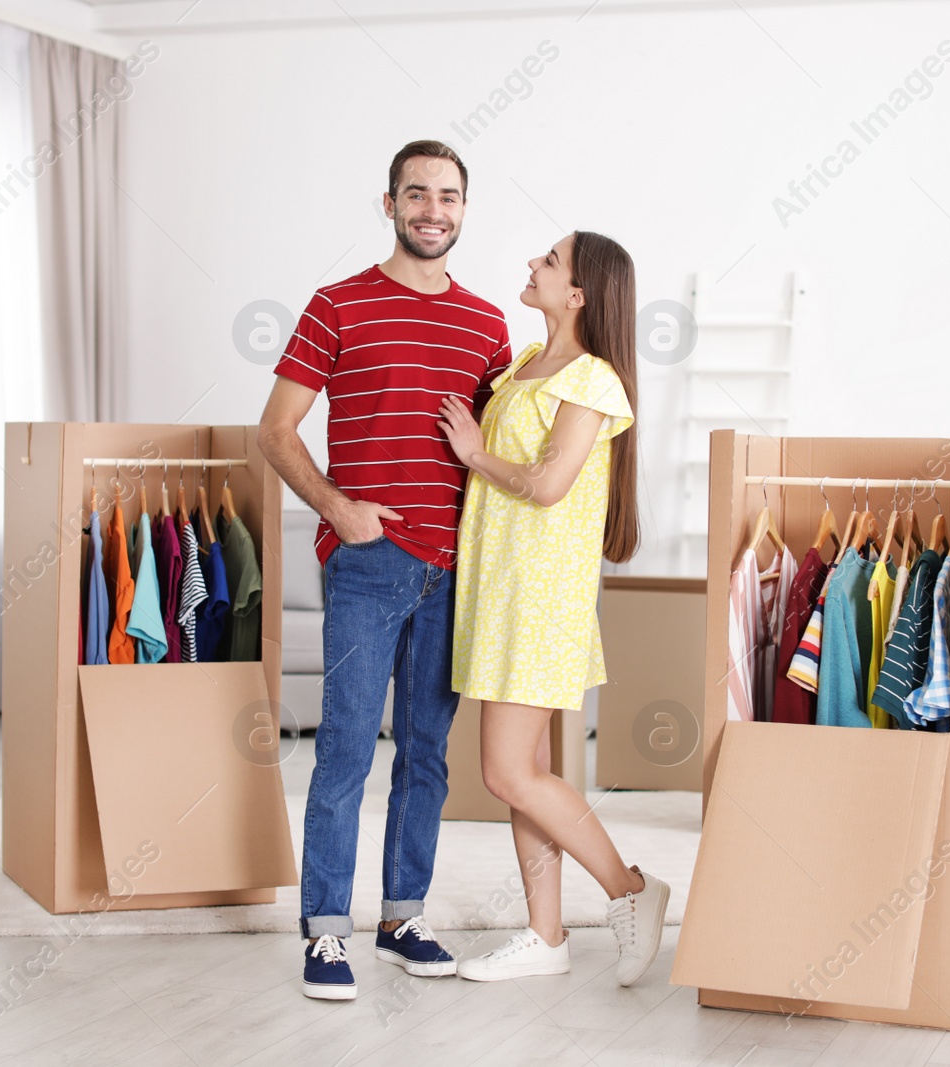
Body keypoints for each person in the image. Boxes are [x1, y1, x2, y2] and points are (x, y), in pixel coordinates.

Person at [258, 140, 513, 1001]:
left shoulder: (488, 325)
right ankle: (325, 931)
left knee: (429, 755)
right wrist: (337, 509)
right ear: (389, 202)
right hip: (370, 563)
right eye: (417, 194)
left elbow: (497, 452)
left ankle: (403, 916)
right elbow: (276, 429)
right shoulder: (337, 305)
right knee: (344, 753)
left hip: (454, 566)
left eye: (448, 196)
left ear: (464, 209)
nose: (432, 209)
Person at [437, 230, 670, 987]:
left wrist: (473, 452)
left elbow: (548, 483)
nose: (531, 264)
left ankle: (630, 889)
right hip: (500, 590)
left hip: (539, 597)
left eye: (550, 261)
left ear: (577, 294)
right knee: (526, 768)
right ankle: (546, 935)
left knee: (505, 771)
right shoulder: (521, 370)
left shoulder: (594, 379)